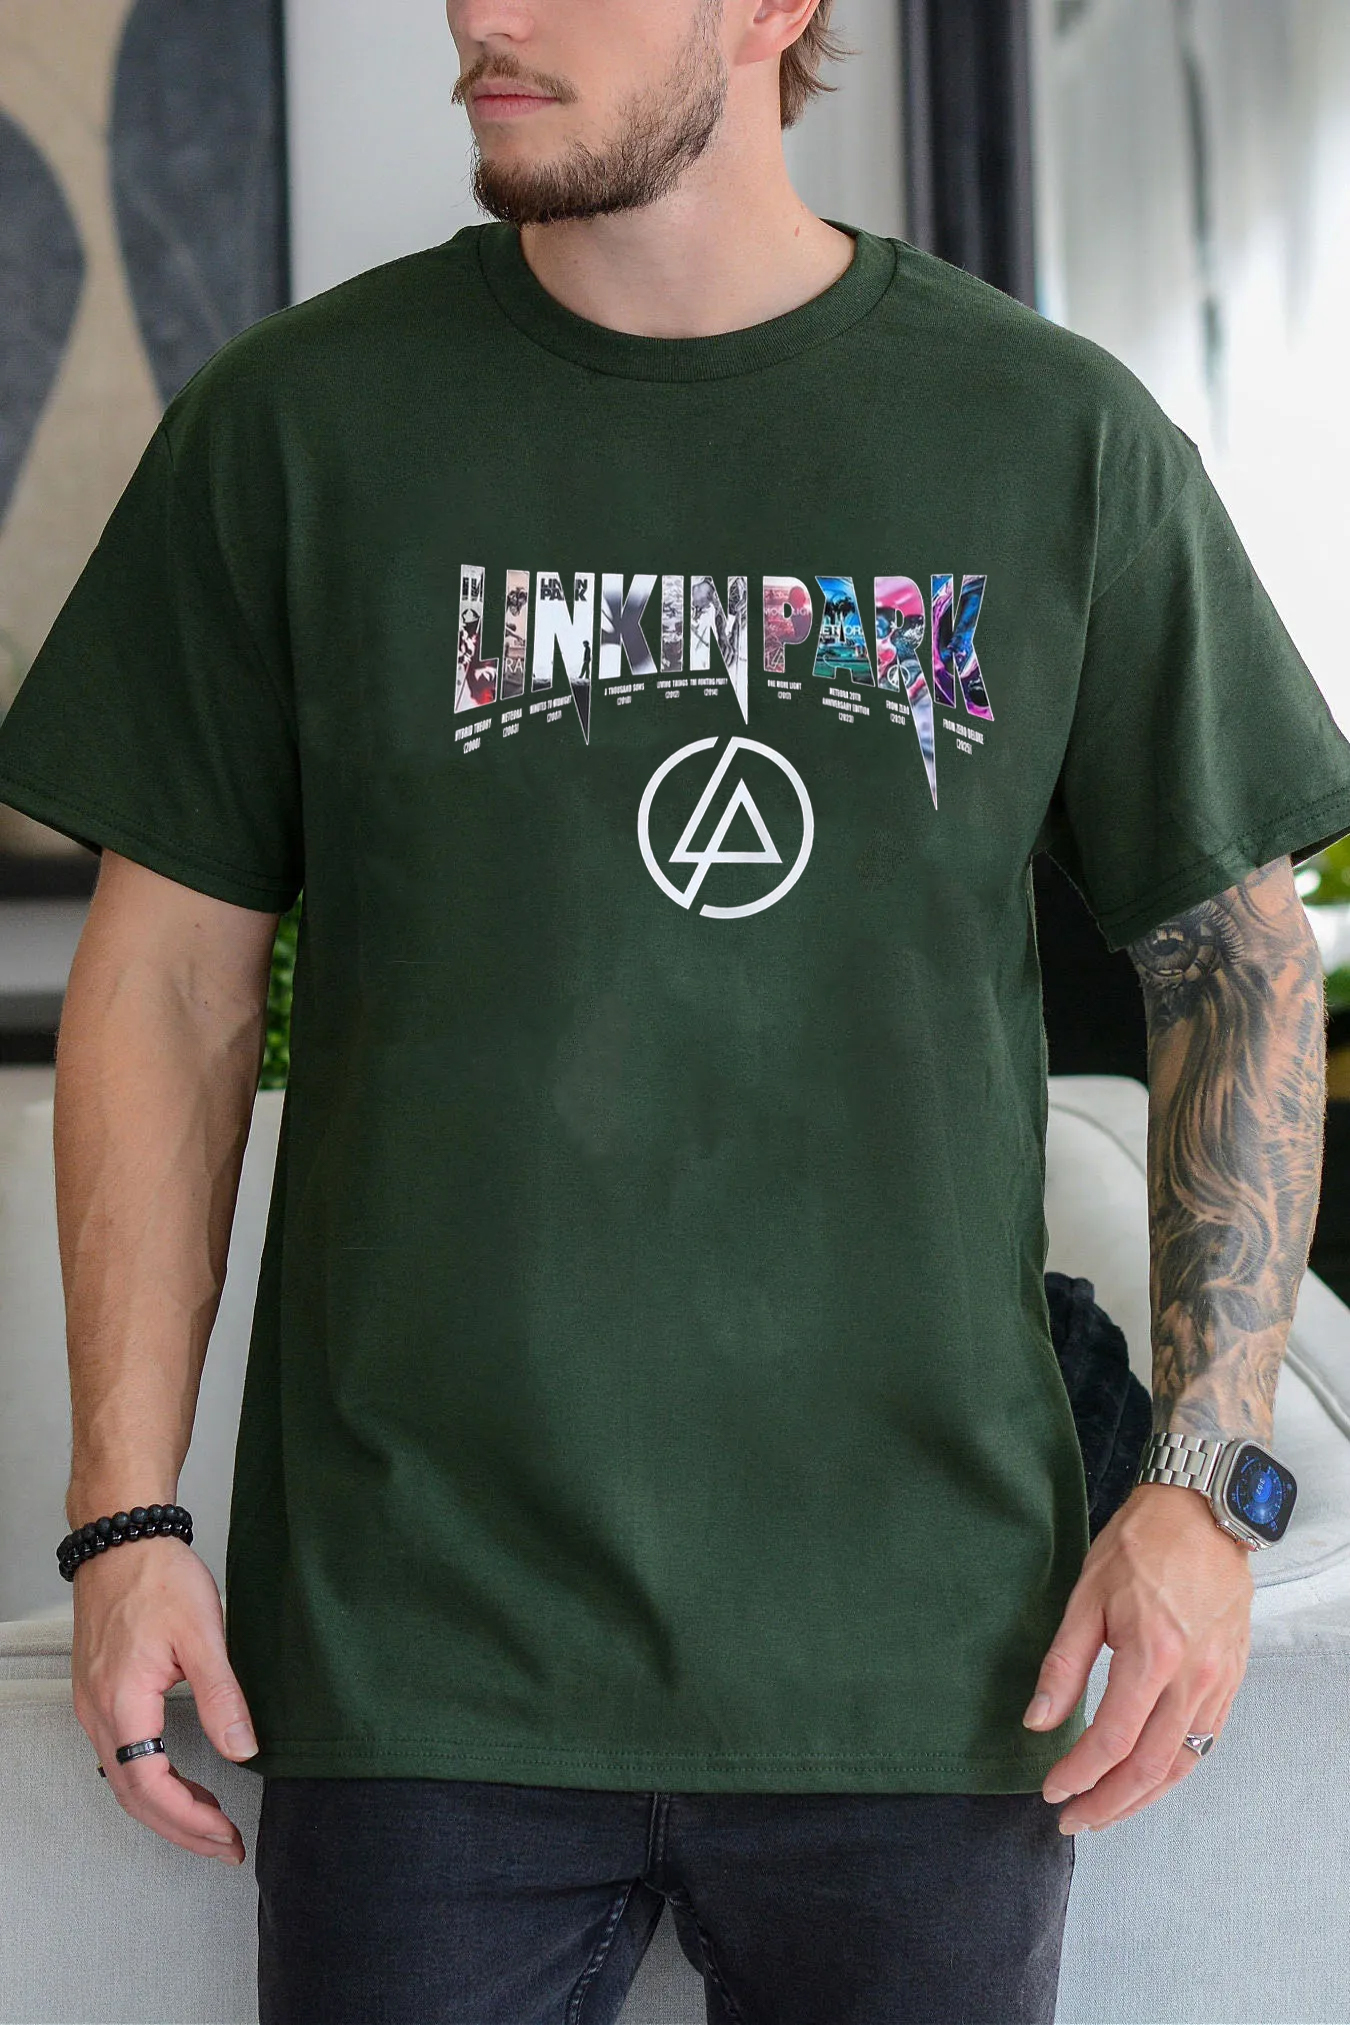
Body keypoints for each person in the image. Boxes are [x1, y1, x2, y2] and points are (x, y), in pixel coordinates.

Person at [1, 3, 1346, 2020]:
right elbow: (169, 983)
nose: (484, 11)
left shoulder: (1049, 436)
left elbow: (1231, 956)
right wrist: (124, 1515)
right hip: (417, 1651)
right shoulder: (294, 429)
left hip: (929, 1658)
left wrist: (1207, 1485)